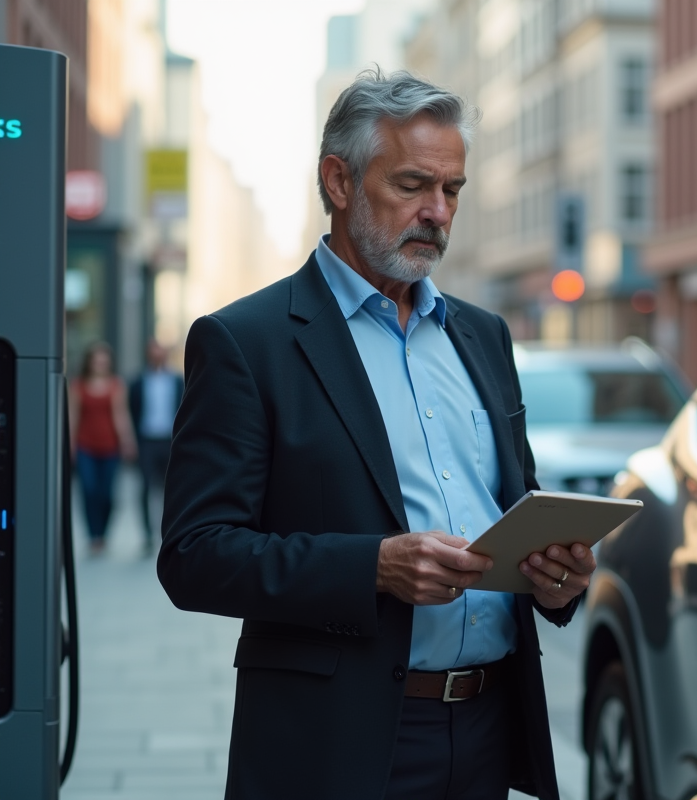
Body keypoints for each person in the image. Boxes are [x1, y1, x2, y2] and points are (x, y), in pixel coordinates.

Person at [158, 69, 596, 800]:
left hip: (488, 730)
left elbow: (510, 507)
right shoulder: (247, 342)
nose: (437, 212)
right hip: (338, 743)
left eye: (452, 190)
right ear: (338, 180)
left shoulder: (483, 336)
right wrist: (374, 568)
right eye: (413, 185)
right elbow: (194, 555)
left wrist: (556, 578)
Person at [69, 342, 137, 556]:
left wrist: (127, 441)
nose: (100, 364)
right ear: (89, 362)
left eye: (104, 361)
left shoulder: (116, 385)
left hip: (110, 447)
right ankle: (93, 536)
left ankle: (104, 533)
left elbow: (121, 415)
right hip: (85, 446)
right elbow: (73, 416)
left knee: (106, 493)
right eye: (97, 360)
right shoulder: (78, 385)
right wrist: (70, 444)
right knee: (88, 490)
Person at [128, 339, 184, 555]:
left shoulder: (177, 380)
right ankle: (147, 535)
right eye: (153, 351)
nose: (156, 354)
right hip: (147, 441)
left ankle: (170, 530)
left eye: (159, 350)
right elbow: (132, 411)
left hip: (170, 441)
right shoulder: (138, 382)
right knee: (144, 487)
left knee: (171, 489)